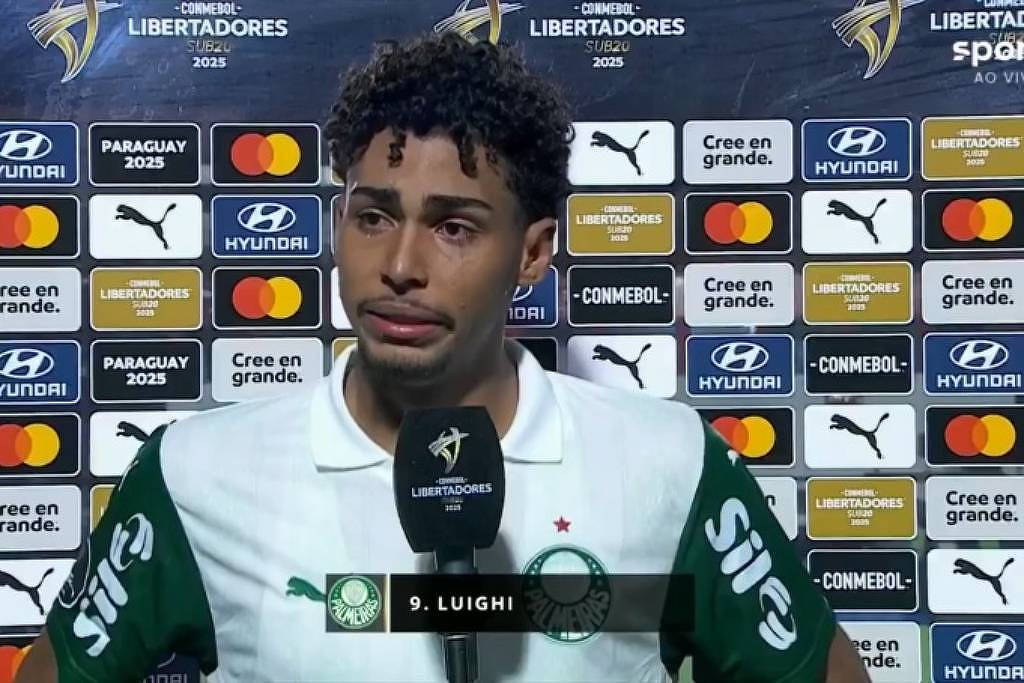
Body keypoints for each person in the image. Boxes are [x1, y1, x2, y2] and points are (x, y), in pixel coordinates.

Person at [16, 32, 870, 683]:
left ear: (532, 253)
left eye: (454, 227)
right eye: (374, 216)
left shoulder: (669, 465)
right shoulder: (196, 474)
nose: (400, 265)